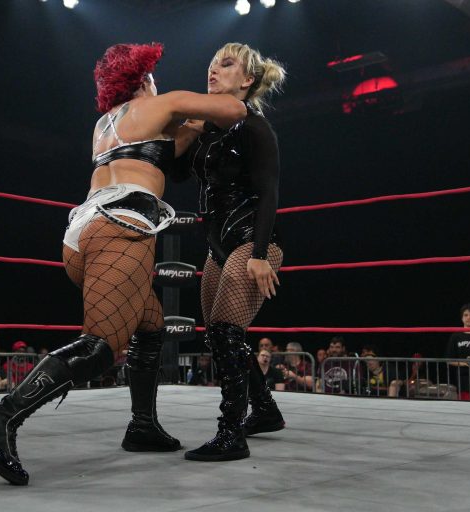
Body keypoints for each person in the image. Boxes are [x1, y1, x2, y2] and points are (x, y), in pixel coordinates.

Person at [0, 42, 247, 485]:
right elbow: (234, 110)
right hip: (121, 230)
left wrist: (192, 126)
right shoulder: (162, 104)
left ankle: (143, 425)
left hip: (82, 233)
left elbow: (164, 151)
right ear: (144, 78)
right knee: (99, 347)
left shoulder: (105, 123)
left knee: (150, 325)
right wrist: (215, 99)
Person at [171, 42, 287, 461]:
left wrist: (259, 254)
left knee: (224, 331)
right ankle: (266, 410)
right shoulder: (207, 130)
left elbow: (269, 193)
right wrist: (188, 125)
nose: (213, 70)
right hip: (217, 246)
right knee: (221, 336)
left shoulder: (255, 127)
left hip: (253, 241)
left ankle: (231, 433)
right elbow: (175, 171)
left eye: (226, 64)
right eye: (211, 65)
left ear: (248, 79)